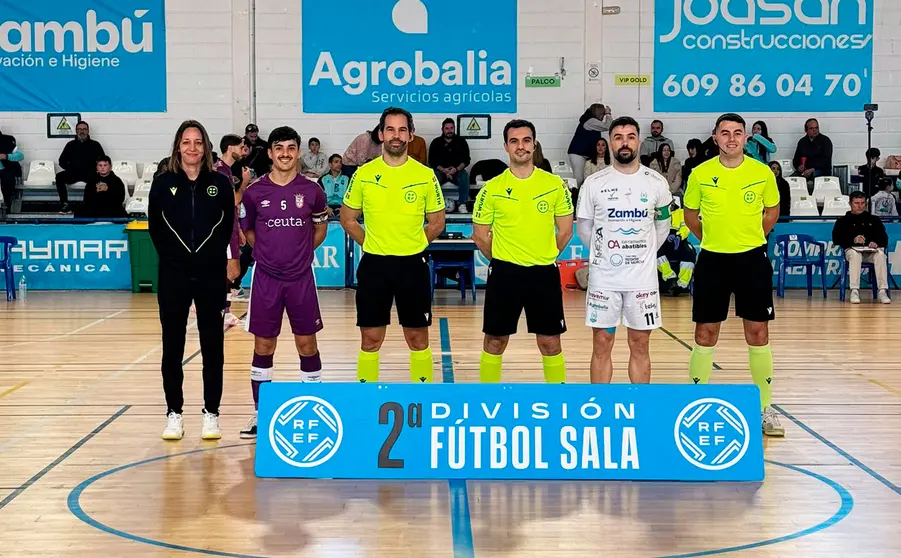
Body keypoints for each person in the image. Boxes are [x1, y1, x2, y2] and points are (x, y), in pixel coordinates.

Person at [683, 113, 783, 437]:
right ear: (715, 137)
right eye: (724, 133)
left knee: (757, 333)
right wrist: (713, 240)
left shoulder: (762, 172)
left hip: (752, 260)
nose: (731, 139)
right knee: (705, 333)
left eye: (737, 133)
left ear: (745, 138)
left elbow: (772, 212)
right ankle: (696, 405)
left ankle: (765, 409)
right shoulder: (700, 174)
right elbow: (690, 216)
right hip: (713, 260)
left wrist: (752, 237)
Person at [340, 107, 446, 384]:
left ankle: (422, 400)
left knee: (417, 337)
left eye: (402, 130)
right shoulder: (364, 173)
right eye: (390, 129)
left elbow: (436, 223)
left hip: (413, 264)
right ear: (380, 134)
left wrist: (411, 244)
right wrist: (374, 243)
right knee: (371, 339)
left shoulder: (425, 175)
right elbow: (348, 219)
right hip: (375, 265)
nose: (396, 135)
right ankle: (366, 400)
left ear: (411, 135)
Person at [148, 120, 238, 441]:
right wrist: (176, 260)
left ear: (206, 147)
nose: (192, 148)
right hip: (173, 275)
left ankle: (211, 413)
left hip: (210, 275)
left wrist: (211, 260)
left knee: (212, 346)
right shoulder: (162, 183)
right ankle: (174, 413)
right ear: (177, 146)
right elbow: (155, 228)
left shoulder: (220, 183)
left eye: (198, 142)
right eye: (186, 142)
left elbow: (227, 226)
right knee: (172, 347)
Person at [238, 126, 329, 438]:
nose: (285, 153)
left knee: (307, 343)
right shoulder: (254, 194)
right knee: (264, 344)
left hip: (301, 277)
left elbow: (319, 230)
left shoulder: (314, 191)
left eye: (291, 147)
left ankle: (314, 407)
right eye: (279, 148)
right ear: (270, 152)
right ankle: (260, 413)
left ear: (299, 151)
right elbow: (249, 234)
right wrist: (269, 254)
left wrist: (298, 254)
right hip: (266, 279)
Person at [472, 119, 573, 384]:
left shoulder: (554, 185)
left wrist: (543, 255)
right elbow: (480, 236)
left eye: (526, 140)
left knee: (550, 343)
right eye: (514, 141)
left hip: (543, 274)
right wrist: (505, 260)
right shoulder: (491, 188)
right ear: (506, 147)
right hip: (505, 274)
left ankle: (558, 400)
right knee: (494, 342)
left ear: (534, 145)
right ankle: (488, 397)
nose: (521, 146)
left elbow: (565, 231)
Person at [576, 116, 672, 384]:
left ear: (638, 141)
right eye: (618, 137)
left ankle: (639, 407)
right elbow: (585, 228)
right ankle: (601, 405)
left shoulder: (656, 182)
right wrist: (604, 254)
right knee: (602, 342)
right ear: (609, 143)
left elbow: (662, 226)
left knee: (640, 344)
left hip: (642, 280)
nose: (625, 142)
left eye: (630, 137)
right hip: (604, 280)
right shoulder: (594, 183)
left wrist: (642, 252)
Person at [213, 134, 251, 326]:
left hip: (231, 226)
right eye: (240, 147)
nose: (243, 151)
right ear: (230, 148)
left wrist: (240, 229)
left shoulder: (227, 170)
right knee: (231, 271)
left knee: (231, 272)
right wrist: (244, 182)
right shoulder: (219, 171)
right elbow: (234, 201)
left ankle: (223, 309)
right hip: (222, 228)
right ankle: (218, 307)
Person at [832, 191, 891, 304]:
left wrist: (875, 242)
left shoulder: (874, 220)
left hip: (871, 252)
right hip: (852, 250)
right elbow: (836, 239)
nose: (860, 206)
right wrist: (853, 240)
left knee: (880, 255)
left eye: (862, 203)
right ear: (850, 203)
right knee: (855, 255)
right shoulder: (842, 221)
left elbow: (884, 238)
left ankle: (882, 291)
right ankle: (854, 290)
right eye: (856, 203)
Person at [56, 121, 106, 214]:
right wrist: (71, 168)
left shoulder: (95, 145)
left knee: (100, 179)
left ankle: (94, 206)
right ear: (76, 131)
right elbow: (61, 161)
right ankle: (65, 204)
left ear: (88, 131)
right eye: (79, 129)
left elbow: (102, 161)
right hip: (74, 173)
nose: (82, 131)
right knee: (59, 177)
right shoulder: (70, 145)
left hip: (90, 173)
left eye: (84, 129)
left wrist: (96, 170)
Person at [429, 118, 472, 213]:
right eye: (447, 128)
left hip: (457, 171)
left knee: (464, 175)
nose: (449, 130)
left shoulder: (461, 141)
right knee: (433, 178)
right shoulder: (436, 142)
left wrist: (456, 169)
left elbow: (466, 160)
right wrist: (444, 170)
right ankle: (435, 205)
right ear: (442, 129)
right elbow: (432, 161)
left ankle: (462, 204)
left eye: (451, 128)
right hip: (440, 171)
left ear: (454, 128)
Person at [656, 197, 695, 296]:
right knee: (654, 250)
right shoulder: (658, 213)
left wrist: (679, 236)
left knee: (690, 251)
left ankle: (682, 285)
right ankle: (670, 278)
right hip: (663, 240)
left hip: (678, 240)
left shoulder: (681, 213)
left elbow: (685, 228)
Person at [567, 104, 611, 186]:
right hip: (578, 152)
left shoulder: (588, 120)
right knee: (579, 179)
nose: (603, 117)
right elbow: (607, 126)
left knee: (587, 177)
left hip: (585, 152)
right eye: (602, 114)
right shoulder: (590, 121)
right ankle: (573, 196)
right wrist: (608, 114)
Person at [0, 126, 23, 214]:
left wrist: (6, 156)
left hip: (4, 171)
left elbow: (20, 156)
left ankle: (7, 205)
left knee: (8, 179)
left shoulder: (7, 141)